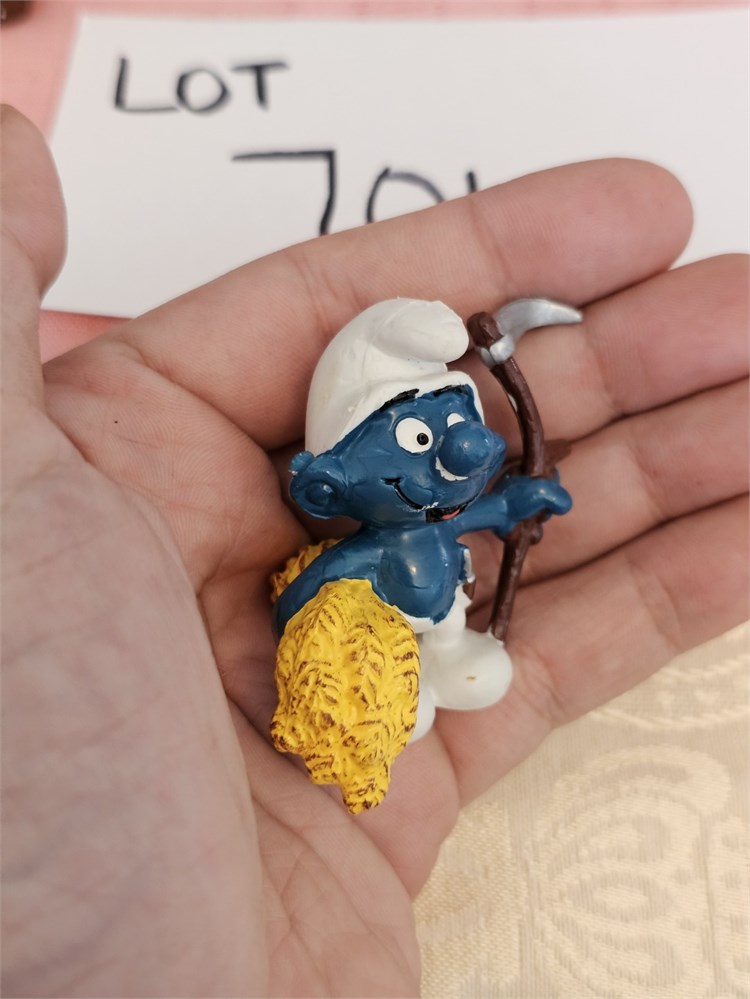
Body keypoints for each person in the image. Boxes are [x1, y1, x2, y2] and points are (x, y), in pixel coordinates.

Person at [2, 104, 746, 997]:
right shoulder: (365, 552)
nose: (464, 445)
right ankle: (414, 690)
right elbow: (319, 589)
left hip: (437, 626)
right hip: (395, 647)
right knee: (429, 692)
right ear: (325, 492)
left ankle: (440, 667)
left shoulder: (426, 522)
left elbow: (466, 517)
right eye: (421, 440)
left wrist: (517, 500)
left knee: (476, 669)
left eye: (455, 420)